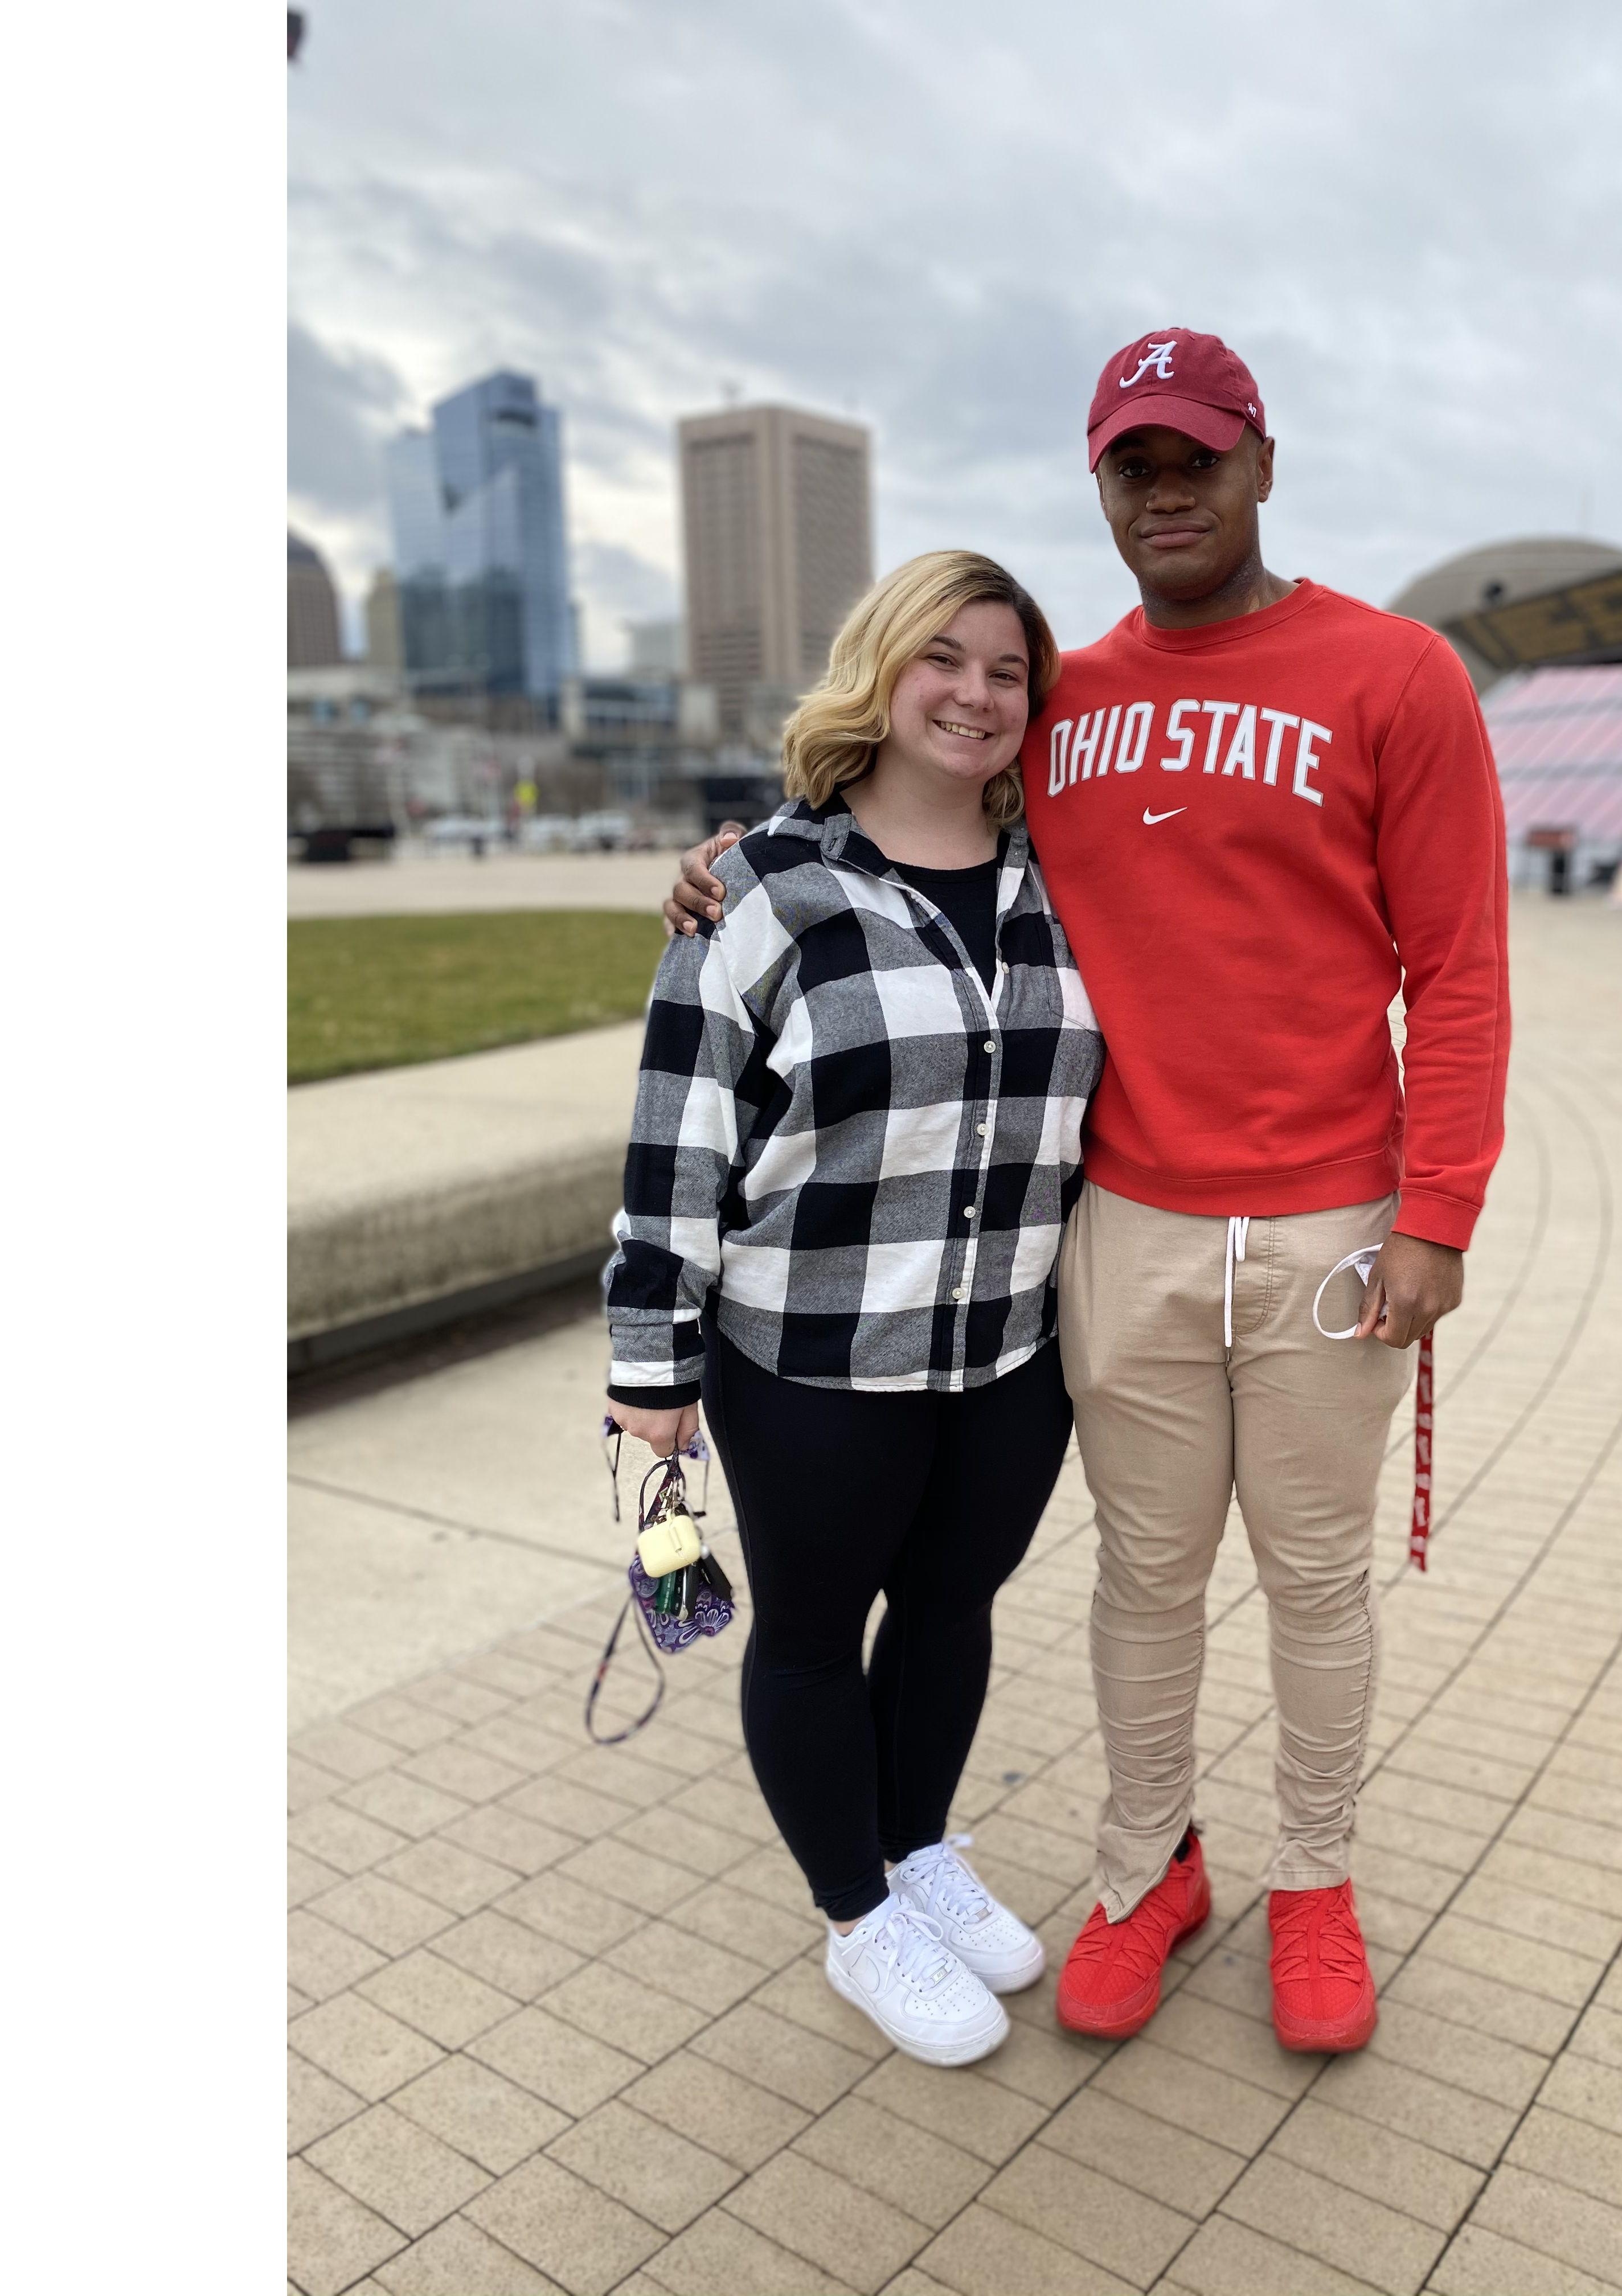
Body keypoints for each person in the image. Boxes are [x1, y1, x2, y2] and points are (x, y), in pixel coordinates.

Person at [666, 329, 1510, 2056]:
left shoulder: (1398, 673)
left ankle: (1318, 1882)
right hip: (1116, 1222)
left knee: (1318, 1577)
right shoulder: (1070, 702)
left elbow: (1465, 969)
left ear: (1262, 464)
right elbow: (913, 802)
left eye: (1199, 455)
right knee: (1143, 1574)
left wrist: (1440, 1216)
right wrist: (735, 856)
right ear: (1103, 487)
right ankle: (1144, 1871)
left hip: (1336, 1222)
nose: (1169, 487)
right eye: (1135, 462)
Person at [606, 549, 1104, 2068]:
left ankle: (920, 1848)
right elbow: (677, 1129)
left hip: (1012, 1350)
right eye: (942, 659)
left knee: (952, 1612)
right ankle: (856, 1915)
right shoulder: (764, 888)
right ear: (881, 674)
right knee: (816, 1638)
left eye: (1008, 670)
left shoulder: (1070, 883)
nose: (975, 693)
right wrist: (651, 1361)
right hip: (811, 1356)